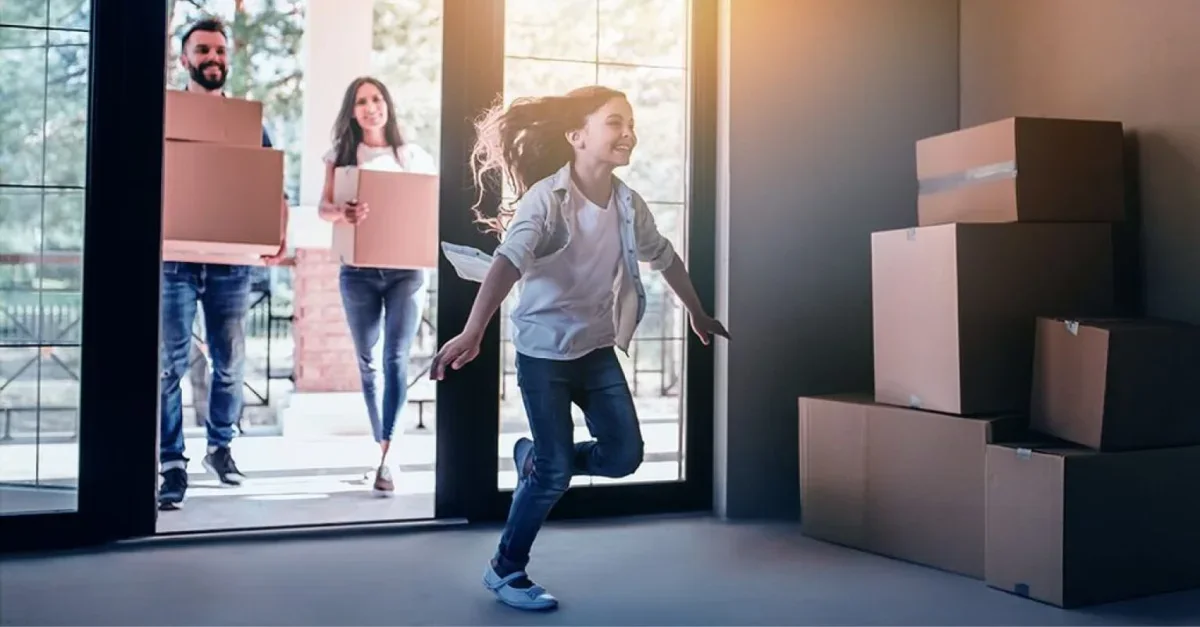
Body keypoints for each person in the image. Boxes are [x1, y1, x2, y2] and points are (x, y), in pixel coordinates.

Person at [431, 86, 730, 610]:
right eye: (614, 122)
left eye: (630, 123)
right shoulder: (546, 199)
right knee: (554, 473)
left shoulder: (628, 203)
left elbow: (666, 257)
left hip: (594, 350)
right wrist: (475, 330)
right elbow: (507, 262)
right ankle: (506, 569)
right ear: (577, 136)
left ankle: (542, 460)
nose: (627, 132)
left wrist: (697, 312)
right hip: (543, 353)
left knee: (624, 456)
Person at [158, 16, 289, 511]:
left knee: (230, 363)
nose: (212, 58)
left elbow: (272, 184)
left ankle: (220, 447)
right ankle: (171, 462)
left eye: (219, 50)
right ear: (185, 58)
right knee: (168, 367)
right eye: (202, 50)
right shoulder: (166, 115)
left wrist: (278, 235)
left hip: (233, 263)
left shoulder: (250, 123)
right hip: (174, 259)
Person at [318, 77, 436, 496]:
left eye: (377, 98)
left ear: (388, 105)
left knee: (395, 359)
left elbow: (428, 206)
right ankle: (382, 447)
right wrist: (342, 212)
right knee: (368, 363)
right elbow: (324, 208)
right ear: (352, 111)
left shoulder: (413, 156)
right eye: (361, 101)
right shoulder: (342, 155)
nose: (371, 107)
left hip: (406, 273)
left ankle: (389, 455)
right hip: (359, 272)